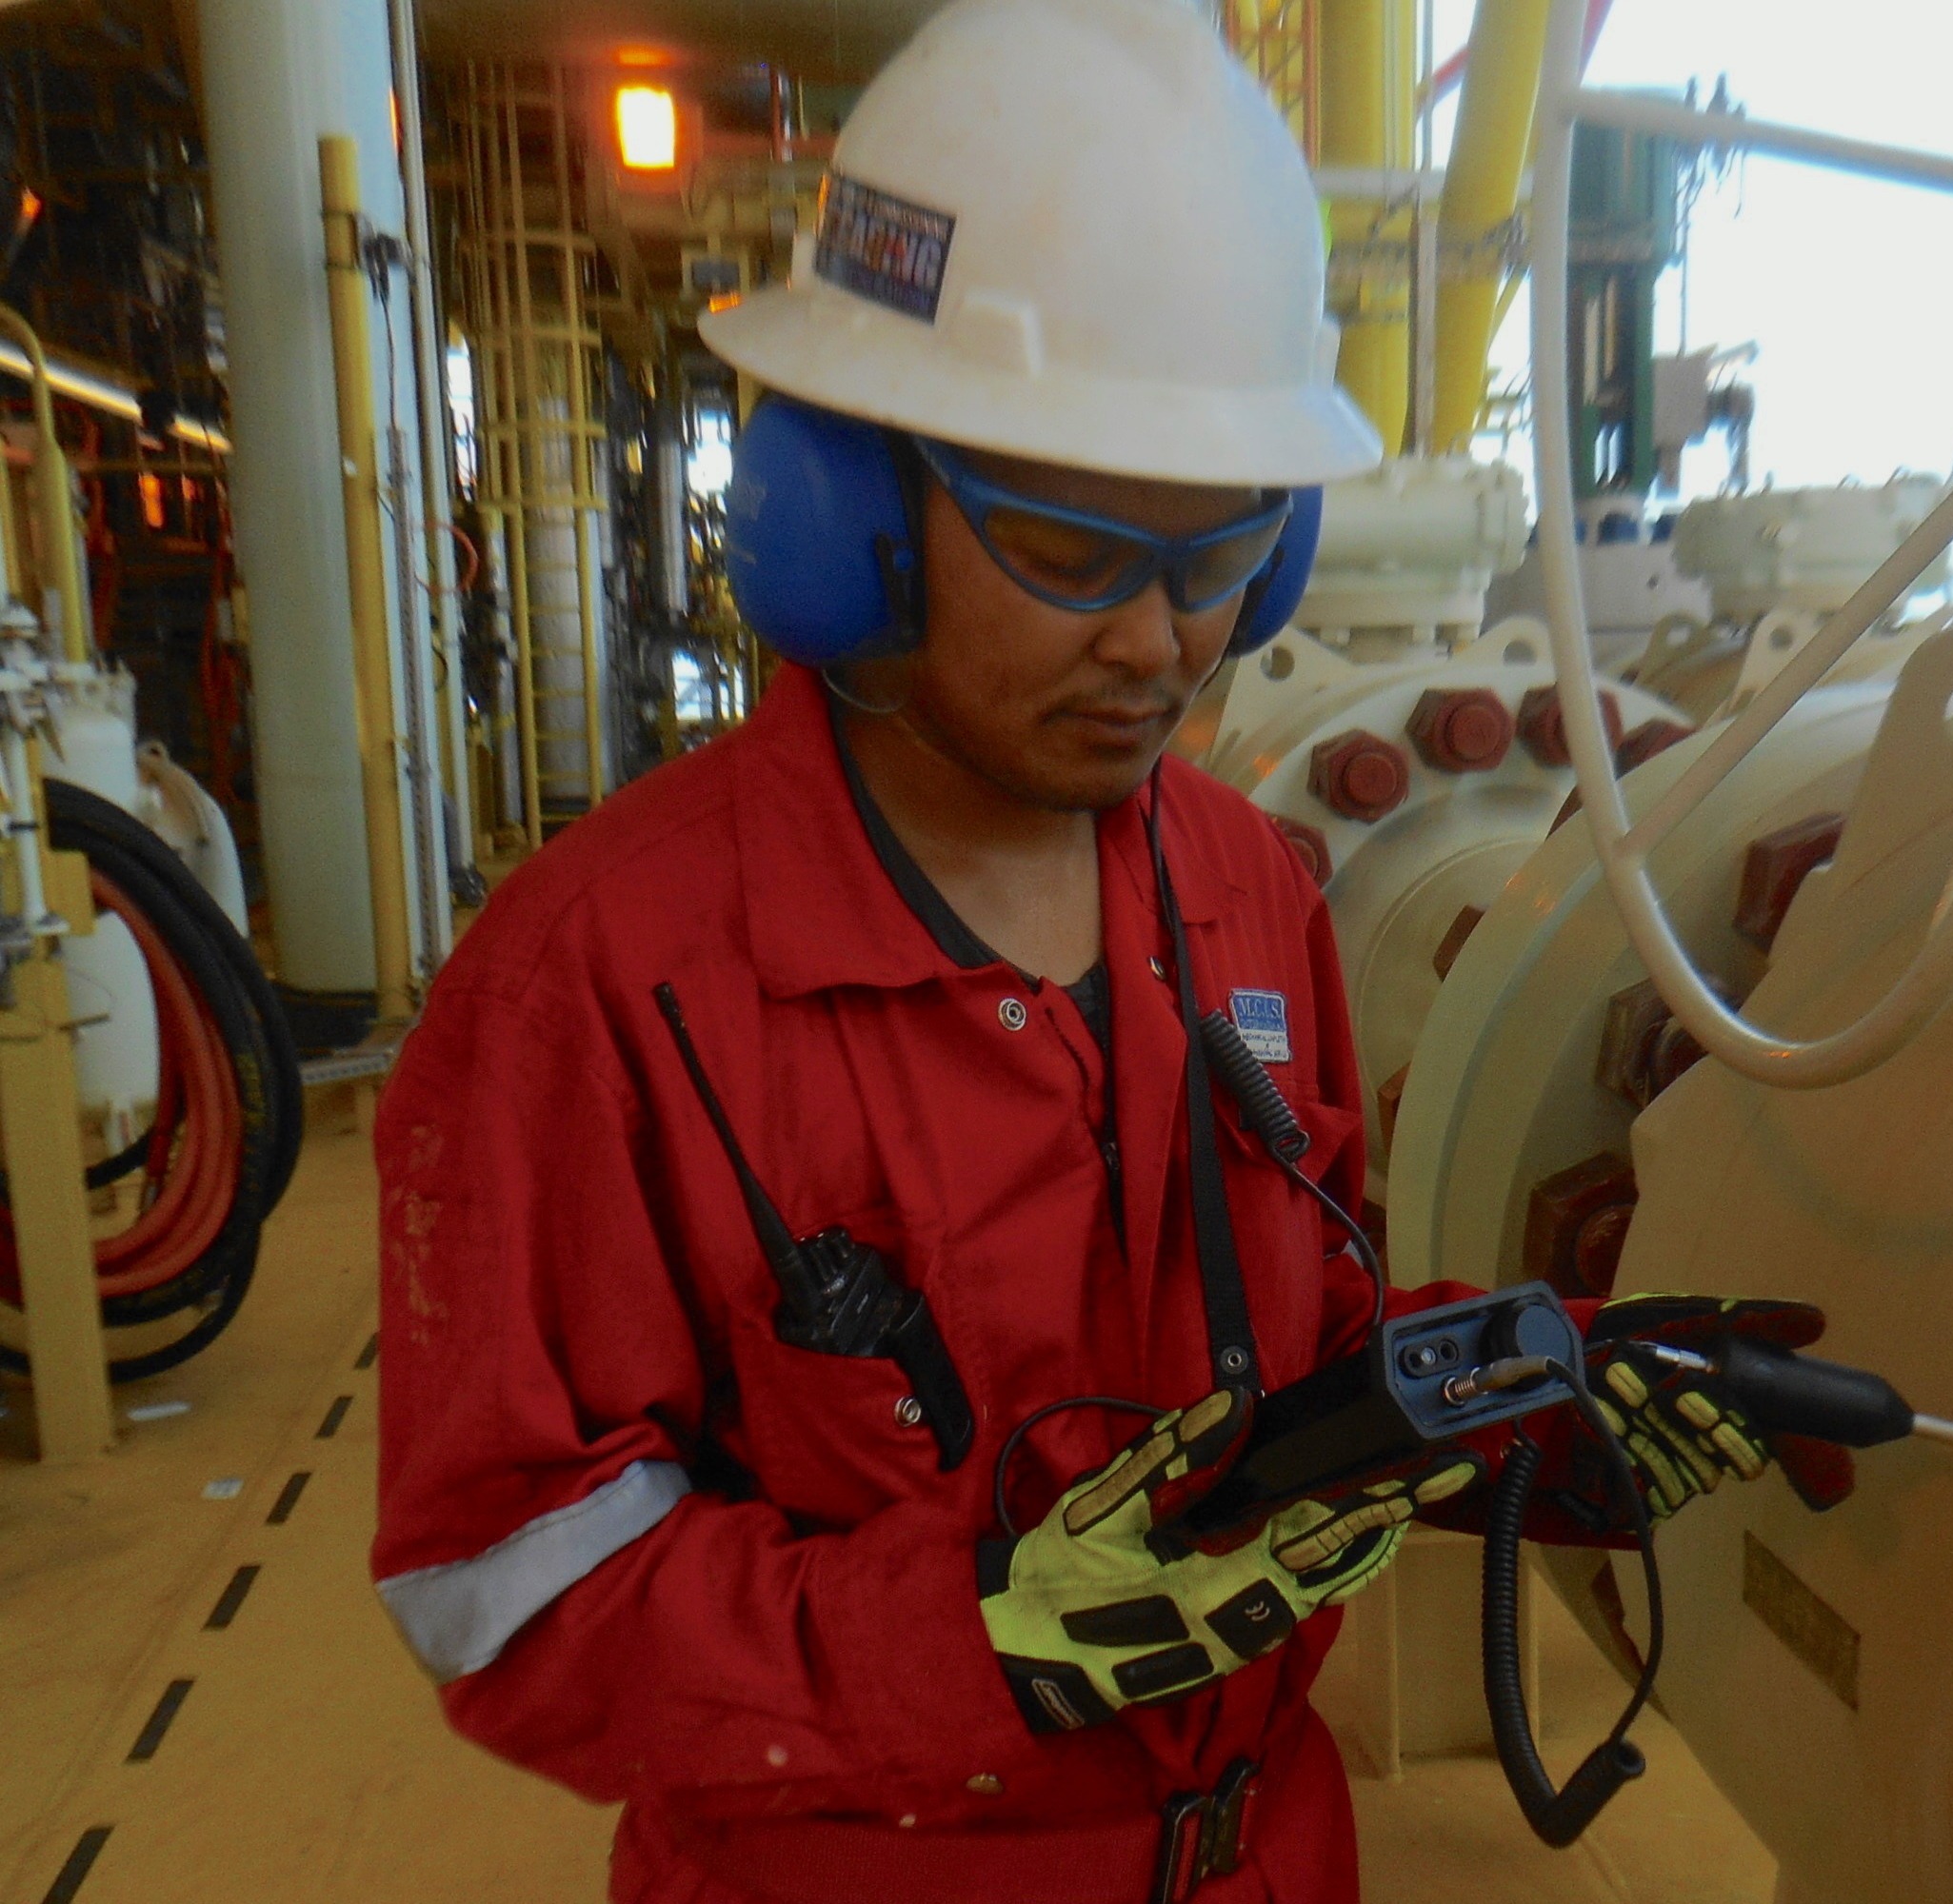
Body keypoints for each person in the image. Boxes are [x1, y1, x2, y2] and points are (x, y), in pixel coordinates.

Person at [369, 1, 1823, 1897]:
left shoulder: (1242, 885)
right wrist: (978, 1638)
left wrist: (1510, 1403)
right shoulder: (606, 979)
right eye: (1070, 553)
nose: (1159, 641)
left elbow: (1288, 1366)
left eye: (1223, 553)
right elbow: (502, 1588)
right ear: (856, 512)